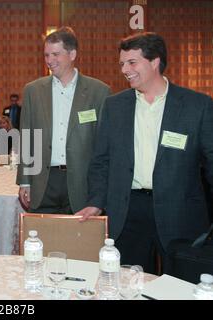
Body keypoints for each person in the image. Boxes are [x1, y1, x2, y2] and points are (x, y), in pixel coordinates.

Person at [75, 32, 213, 274]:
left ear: (154, 61)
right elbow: (101, 161)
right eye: (121, 64)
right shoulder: (115, 106)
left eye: (132, 62)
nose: (125, 70)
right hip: (128, 211)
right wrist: (96, 202)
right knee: (129, 283)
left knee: (179, 285)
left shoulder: (197, 105)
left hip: (180, 211)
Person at [17, 26, 111, 214]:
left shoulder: (99, 91)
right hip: (43, 180)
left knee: (78, 241)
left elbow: (104, 146)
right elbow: (27, 137)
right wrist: (25, 180)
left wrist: (99, 193)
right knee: (42, 240)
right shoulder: (33, 91)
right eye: (46, 55)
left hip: (82, 182)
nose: (49, 61)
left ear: (72, 54)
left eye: (55, 54)